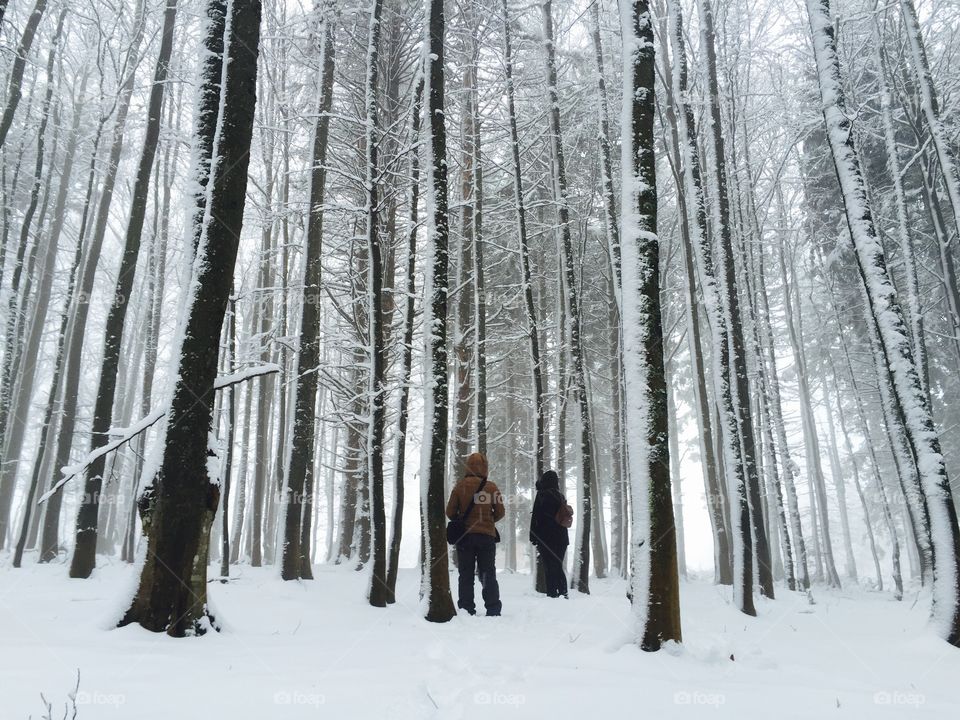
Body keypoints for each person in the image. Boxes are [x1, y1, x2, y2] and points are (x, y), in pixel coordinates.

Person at [445, 452, 505, 616]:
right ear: (485, 467)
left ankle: (466, 608)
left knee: (465, 574)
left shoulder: (460, 486)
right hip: (487, 537)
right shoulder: (491, 487)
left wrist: (461, 518)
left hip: (465, 537)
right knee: (488, 573)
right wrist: (489, 520)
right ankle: (493, 608)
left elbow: (450, 512)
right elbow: (500, 512)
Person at [529, 470, 570, 598]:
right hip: (562, 538)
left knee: (548, 566)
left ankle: (552, 594)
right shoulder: (560, 496)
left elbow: (536, 516)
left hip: (545, 538)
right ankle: (563, 592)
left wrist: (533, 536)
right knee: (558, 565)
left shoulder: (541, 495)